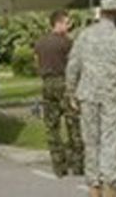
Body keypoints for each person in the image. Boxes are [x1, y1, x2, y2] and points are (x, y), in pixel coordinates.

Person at [67, 0, 116, 197]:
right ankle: (109, 186)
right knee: (110, 139)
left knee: (90, 140)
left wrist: (71, 91)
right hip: (111, 96)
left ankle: (93, 186)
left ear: (101, 12)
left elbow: (73, 66)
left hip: (87, 94)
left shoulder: (84, 35)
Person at [34, 9, 83, 177]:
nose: (69, 26)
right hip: (64, 83)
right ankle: (77, 164)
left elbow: (37, 64)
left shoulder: (40, 43)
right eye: (67, 23)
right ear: (59, 23)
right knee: (73, 123)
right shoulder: (67, 43)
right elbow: (75, 65)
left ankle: (58, 165)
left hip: (47, 84)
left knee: (52, 126)